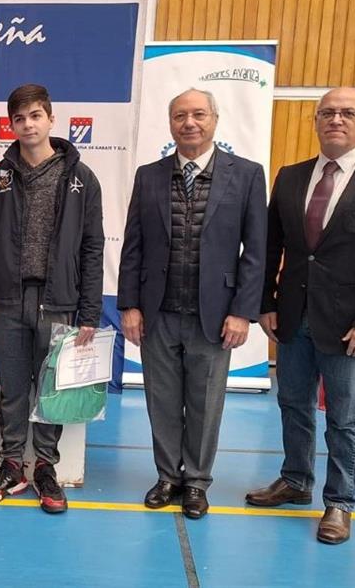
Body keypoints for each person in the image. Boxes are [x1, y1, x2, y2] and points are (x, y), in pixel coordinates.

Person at [246, 87, 355, 544]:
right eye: (327, 112)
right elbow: (271, 248)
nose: (336, 119)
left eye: (347, 113)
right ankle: (296, 480)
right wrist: (265, 302)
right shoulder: (290, 177)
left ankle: (340, 503)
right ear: (316, 121)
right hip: (292, 317)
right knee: (292, 405)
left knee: (345, 417)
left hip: (351, 327)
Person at [117, 89, 267, 519]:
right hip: (158, 311)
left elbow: (255, 251)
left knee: (205, 401)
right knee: (161, 399)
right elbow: (133, 246)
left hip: (216, 315)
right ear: (170, 123)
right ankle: (168, 476)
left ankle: (197, 480)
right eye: (180, 115)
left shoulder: (247, 175)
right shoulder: (148, 176)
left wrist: (242, 311)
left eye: (199, 114)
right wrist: (129, 304)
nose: (189, 123)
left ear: (215, 120)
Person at [0, 83, 104, 514]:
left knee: (52, 392)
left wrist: (89, 311)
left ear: (50, 119)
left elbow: (92, 248)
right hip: (8, 301)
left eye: (35, 116)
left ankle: (45, 466)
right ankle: (12, 464)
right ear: (11, 125)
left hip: (59, 301)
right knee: (13, 389)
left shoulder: (82, 178)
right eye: (19, 118)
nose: (28, 125)